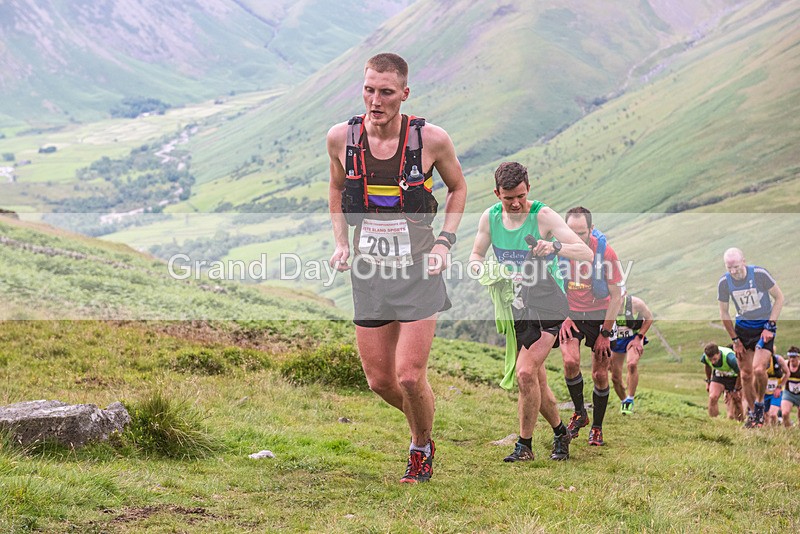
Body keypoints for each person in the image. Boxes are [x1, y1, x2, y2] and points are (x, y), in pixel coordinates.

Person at [327, 52, 467, 483]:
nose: (375, 100)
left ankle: (420, 449)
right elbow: (335, 189)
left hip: (419, 273)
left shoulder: (431, 140)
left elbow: (458, 188)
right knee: (380, 381)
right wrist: (340, 243)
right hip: (369, 274)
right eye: (369, 89)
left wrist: (445, 242)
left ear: (404, 94)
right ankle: (422, 424)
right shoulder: (340, 138)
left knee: (409, 376)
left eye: (386, 92)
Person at [469, 162, 592, 462]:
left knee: (525, 373)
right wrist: (484, 269)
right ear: (496, 193)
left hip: (548, 302)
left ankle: (524, 445)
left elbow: (585, 252)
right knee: (536, 380)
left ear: (529, 188)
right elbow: (475, 255)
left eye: (521, 196)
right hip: (517, 305)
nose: (515, 203)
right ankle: (561, 432)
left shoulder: (543, 215)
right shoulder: (491, 218)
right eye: (507, 197)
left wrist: (554, 247)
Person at [559, 208, 624, 446]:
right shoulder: (560, 249)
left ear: (591, 228)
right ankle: (580, 413)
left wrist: (605, 334)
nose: (576, 238)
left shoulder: (605, 252)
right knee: (569, 361)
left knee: (599, 374)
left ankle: (597, 427)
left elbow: (617, 296)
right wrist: (564, 315)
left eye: (582, 233)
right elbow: (555, 285)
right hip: (573, 315)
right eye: (571, 232)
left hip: (601, 316)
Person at [718, 247, 784, 428]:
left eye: (736, 267)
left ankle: (760, 404)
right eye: (729, 268)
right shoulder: (724, 283)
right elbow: (724, 313)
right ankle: (754, 414)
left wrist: (770, 325)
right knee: (746, 375)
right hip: (743, 330)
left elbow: (779, 298)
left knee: (758, 370)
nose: (733, 271)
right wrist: (735, 340)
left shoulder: (760, 274)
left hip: (763, 328)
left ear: (744, 262)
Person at [609, 292, 653, 415]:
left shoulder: (636, 303)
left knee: (632, 364)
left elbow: (649, 318)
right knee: (615, 378)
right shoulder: (604, 304)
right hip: (615, 339)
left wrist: (639, 338)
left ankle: (630, 399)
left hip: (633, 337)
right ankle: (624, 401)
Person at [700, 343, 744, 420]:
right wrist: (708, 381)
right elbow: (707, 366)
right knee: (712, 397)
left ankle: (740, 421)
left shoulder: (730, 358)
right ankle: (713, 420)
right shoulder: (706, 357)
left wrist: (736, 389)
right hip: (719, 375)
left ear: (718, 353)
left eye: (714, 359)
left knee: (737, 400)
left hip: (734, 377)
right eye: (711, 360)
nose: (713, 362)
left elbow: (740, 372)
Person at [763, 352, 789, 426]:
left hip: (776, 392)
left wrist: (780, 386)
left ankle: (775, 430)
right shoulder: (758, 361)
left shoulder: (778, 359)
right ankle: (768, 432)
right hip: (764, 392)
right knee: (765, 415)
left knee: (773, 414)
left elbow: (787, 373)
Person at [780, 347, 800, 428]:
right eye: (790, 357)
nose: (792, 359)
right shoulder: (785, 364)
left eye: (794, 357)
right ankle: (788, 430)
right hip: (789, 393)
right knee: (784, 413)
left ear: (798, 357)